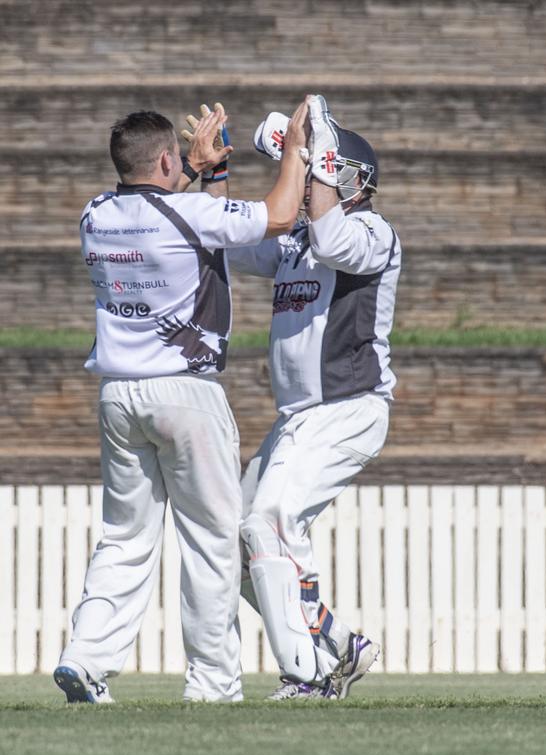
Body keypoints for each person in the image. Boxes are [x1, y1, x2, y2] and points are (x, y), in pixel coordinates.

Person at [54, 98, 310, 703]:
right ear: (167, 158)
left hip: (118, 396)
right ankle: (213, 683)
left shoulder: (94, 214)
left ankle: (85, 660)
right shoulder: (191, 212)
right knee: (210, 538)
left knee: (124, 537)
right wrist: (296, 150)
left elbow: (157, 207)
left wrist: (193, 166)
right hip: (187, 393)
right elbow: (278, 216)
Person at [226, 95, 400, 699]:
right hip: (299, 418)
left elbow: (332, 239)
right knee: (234, 543)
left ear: (350, 177)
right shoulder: (295, 240)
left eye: (323, 172)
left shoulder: (374, 233)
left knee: (270, 523)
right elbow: (233, 242)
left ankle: (307, 677)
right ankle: (337, 640)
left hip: (348, 409)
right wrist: (219, 175)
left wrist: (316, 141)